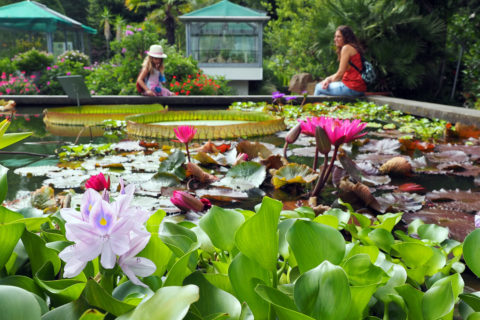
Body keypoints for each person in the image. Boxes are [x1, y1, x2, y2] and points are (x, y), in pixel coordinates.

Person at [314, 25, 366, 96]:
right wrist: (328, 79)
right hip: (358, 88)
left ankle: (310, 107)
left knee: (318, 87)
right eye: (335, 36)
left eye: (338, 37)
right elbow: (340, 73)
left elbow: (340, 74)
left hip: (352, 87)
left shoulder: (346, 48)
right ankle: (322, 107)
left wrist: (327, 80)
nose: (335, 39)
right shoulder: (353, 47)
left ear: (346, 38)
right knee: (322, 95)